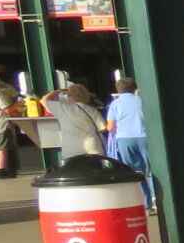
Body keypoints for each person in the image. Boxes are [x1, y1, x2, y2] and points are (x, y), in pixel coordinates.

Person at [104, 77, 155, 209]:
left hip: (124, 139)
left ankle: (146, 202)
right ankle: (156, 197)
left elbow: (110, 127)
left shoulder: (115, 104)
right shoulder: (142, 100)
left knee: (136, 171)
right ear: (134, 88)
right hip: (144, 136)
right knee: (152, 168)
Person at [40, 82, 106, 159]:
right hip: (92, 144)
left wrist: (58, 91)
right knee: (95, 169)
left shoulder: (62, 108)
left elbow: (43, 100)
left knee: (75, 169)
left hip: (72, 148)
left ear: (69, 96)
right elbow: (103, 128)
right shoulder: (92, 110)